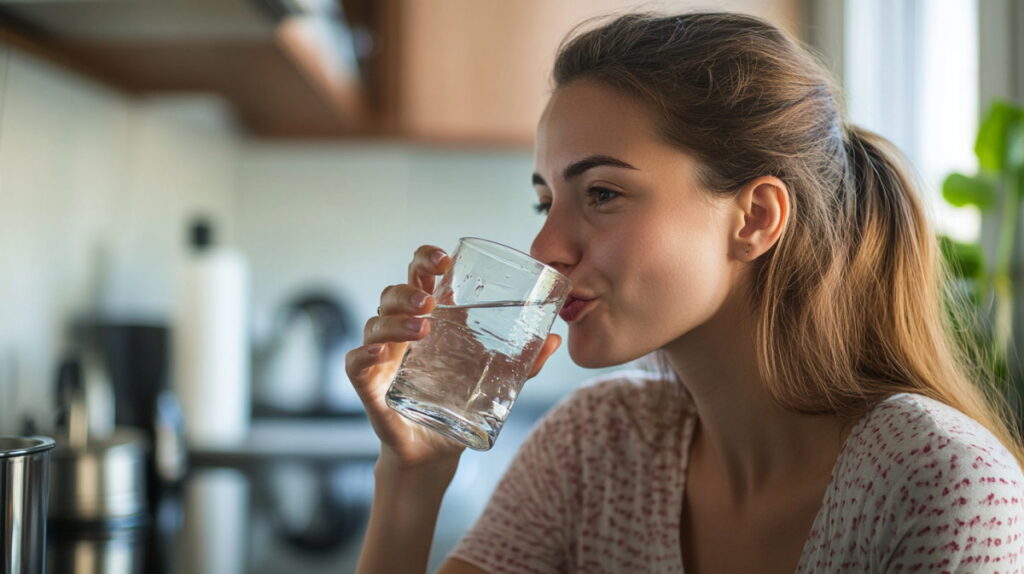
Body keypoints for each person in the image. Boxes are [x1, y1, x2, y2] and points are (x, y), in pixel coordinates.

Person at [345, 11, 1024, 574]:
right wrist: (414, 475)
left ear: (756, 217)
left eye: (602, 194)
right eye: (545, 202)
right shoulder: (595, 446)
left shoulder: (946, 485)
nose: (546, 249)